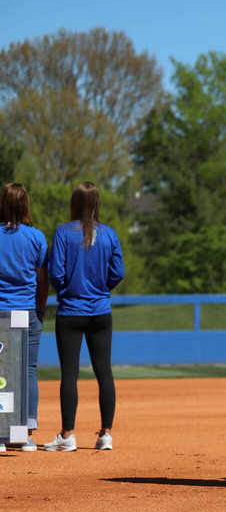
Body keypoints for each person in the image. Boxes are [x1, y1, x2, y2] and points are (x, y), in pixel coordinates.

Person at [43, 182, 125, 453]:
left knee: (69, 374)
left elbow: (55, 272)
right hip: (101, 312)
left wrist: (67, 289)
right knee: (105, 372)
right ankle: (106, 435)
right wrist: (102, 288)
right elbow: (118, 272)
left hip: (70, 311)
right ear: (97, 203)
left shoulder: (63, 232)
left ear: (75, 202)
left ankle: (67, 435)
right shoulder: (110, 234)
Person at [0, 183, 47, 452]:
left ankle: (2, 435)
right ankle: (26, 435)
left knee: (2, 373)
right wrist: (39, 308)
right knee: (27, 371)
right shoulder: (36, 237)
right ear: (25, 205)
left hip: (1, 311)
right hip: (27, 310)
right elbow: (43, 279)